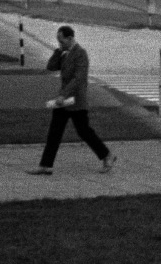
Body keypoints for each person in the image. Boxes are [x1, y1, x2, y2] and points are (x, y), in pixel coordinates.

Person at [29, 25, 115, 176]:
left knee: (84, 131)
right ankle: (46, 165)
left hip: (76, 101)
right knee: (54, 132)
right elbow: (50, 67)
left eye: (61, 41)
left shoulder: (81, 54)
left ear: (70, 38)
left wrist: (64, 94)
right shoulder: (64, 53)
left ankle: (107, 155)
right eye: (58, 41)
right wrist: (58, 52)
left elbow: (78, 78)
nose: (60, 44)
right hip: (63, 101)